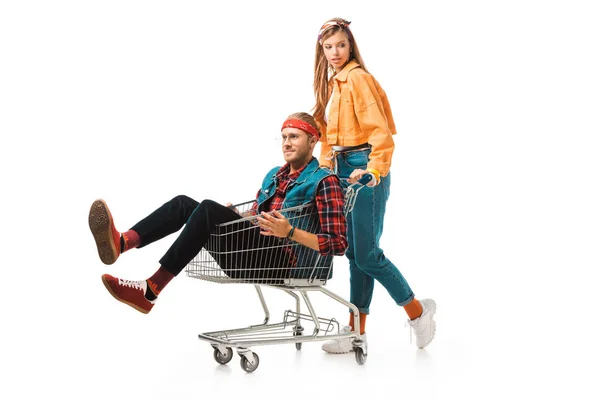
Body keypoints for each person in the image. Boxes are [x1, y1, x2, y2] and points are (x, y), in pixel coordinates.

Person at [89, 112, 348, 314]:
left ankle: (151, 289)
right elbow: (258, 213)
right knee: (185, 204)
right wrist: (237, 215)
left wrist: (289, 232)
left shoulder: (325, 182)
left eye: (295, 137)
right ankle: (123, 242)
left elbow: (338, 243)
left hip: (283, 263)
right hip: (252, 250)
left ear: (313, 141)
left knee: (208, 209)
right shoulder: (274, 175)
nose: (287, 143)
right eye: (284, 137)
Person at [312, 18, 437, 352]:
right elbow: (328, 137)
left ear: (351, 46)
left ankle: (418, 312)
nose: (335, 52)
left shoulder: (358, 79)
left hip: (363, 167)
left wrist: (373, 170)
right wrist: (324, 168)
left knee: (367, 254)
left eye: (341, 45)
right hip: (340, 168)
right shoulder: (332, 84)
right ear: (321, 51)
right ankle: (355, 330)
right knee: (354, 254)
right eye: (328, 47)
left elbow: (380, 135)